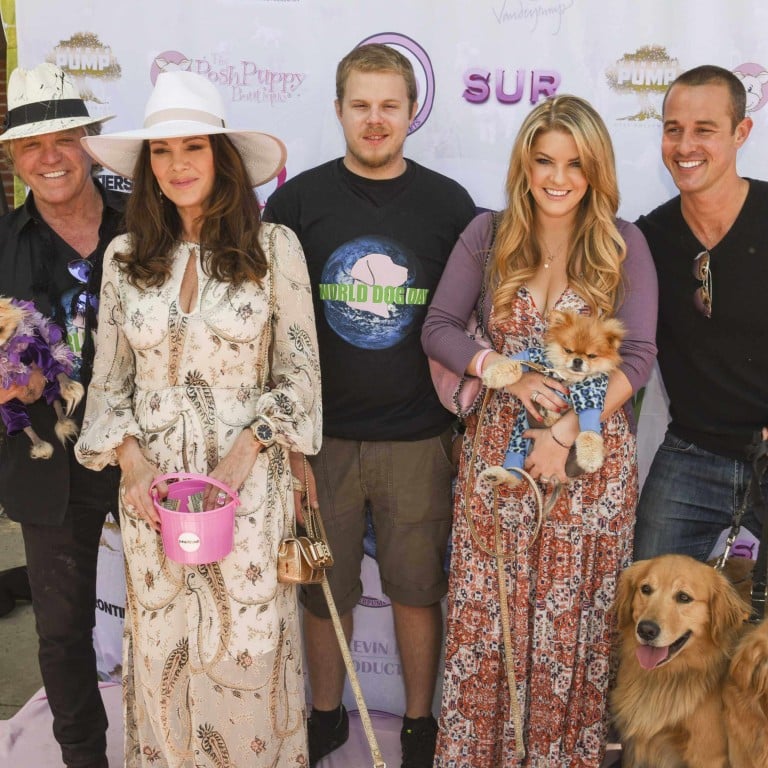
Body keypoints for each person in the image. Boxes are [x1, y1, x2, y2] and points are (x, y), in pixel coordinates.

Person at [74, 70, 322, 766]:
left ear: (222, 158)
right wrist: (133, 464)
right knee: (160, 660)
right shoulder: (125, 260)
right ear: (147, 168)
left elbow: (300, 379)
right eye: (161, 152)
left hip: (247, 498)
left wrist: (242, 458)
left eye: (193, 147)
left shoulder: (275, 250)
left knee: (247, 657)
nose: (177, 165)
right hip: (154, 500)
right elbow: (108, 383)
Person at [422, 95, 657, 766]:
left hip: (588, 470)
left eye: (575, 164)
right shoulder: (489, 235)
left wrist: (564, 430)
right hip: (497, 463)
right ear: (524, 162)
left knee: (566, 633)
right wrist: (507, 373)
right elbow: (437, 327)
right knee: (486, 627)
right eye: (544, 160)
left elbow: (637, 357)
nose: (558, 178)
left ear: (596, 170)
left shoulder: (623, 244)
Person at [264, 43, 476, 768]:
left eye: (390, 105)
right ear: (338, 111)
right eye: (361, 105)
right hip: (321, 441)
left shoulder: (449, 204)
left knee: (418, 588)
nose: (376, 119)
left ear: (413, 113)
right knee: (324, 590)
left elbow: (469, 319)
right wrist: (287, 440)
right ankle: (326, 714)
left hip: (419, 438)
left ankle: (420, 721)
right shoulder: (295, 203)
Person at [0, 62, 122, 768]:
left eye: (64, 136)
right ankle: (85, 757)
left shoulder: (149, 223)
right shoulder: (3, 246)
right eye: (30, 144)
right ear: (15, 157)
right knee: (62, 630)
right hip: (47, 464)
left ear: (89, 140)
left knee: (182, 614)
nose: (49, 157)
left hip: (148, 454)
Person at [633, 64, 768, 562]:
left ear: (741, 132)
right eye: (673, 129)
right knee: (643, 600)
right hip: (691, 452)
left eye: (704, 130)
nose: (685, 146)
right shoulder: (648, 239)